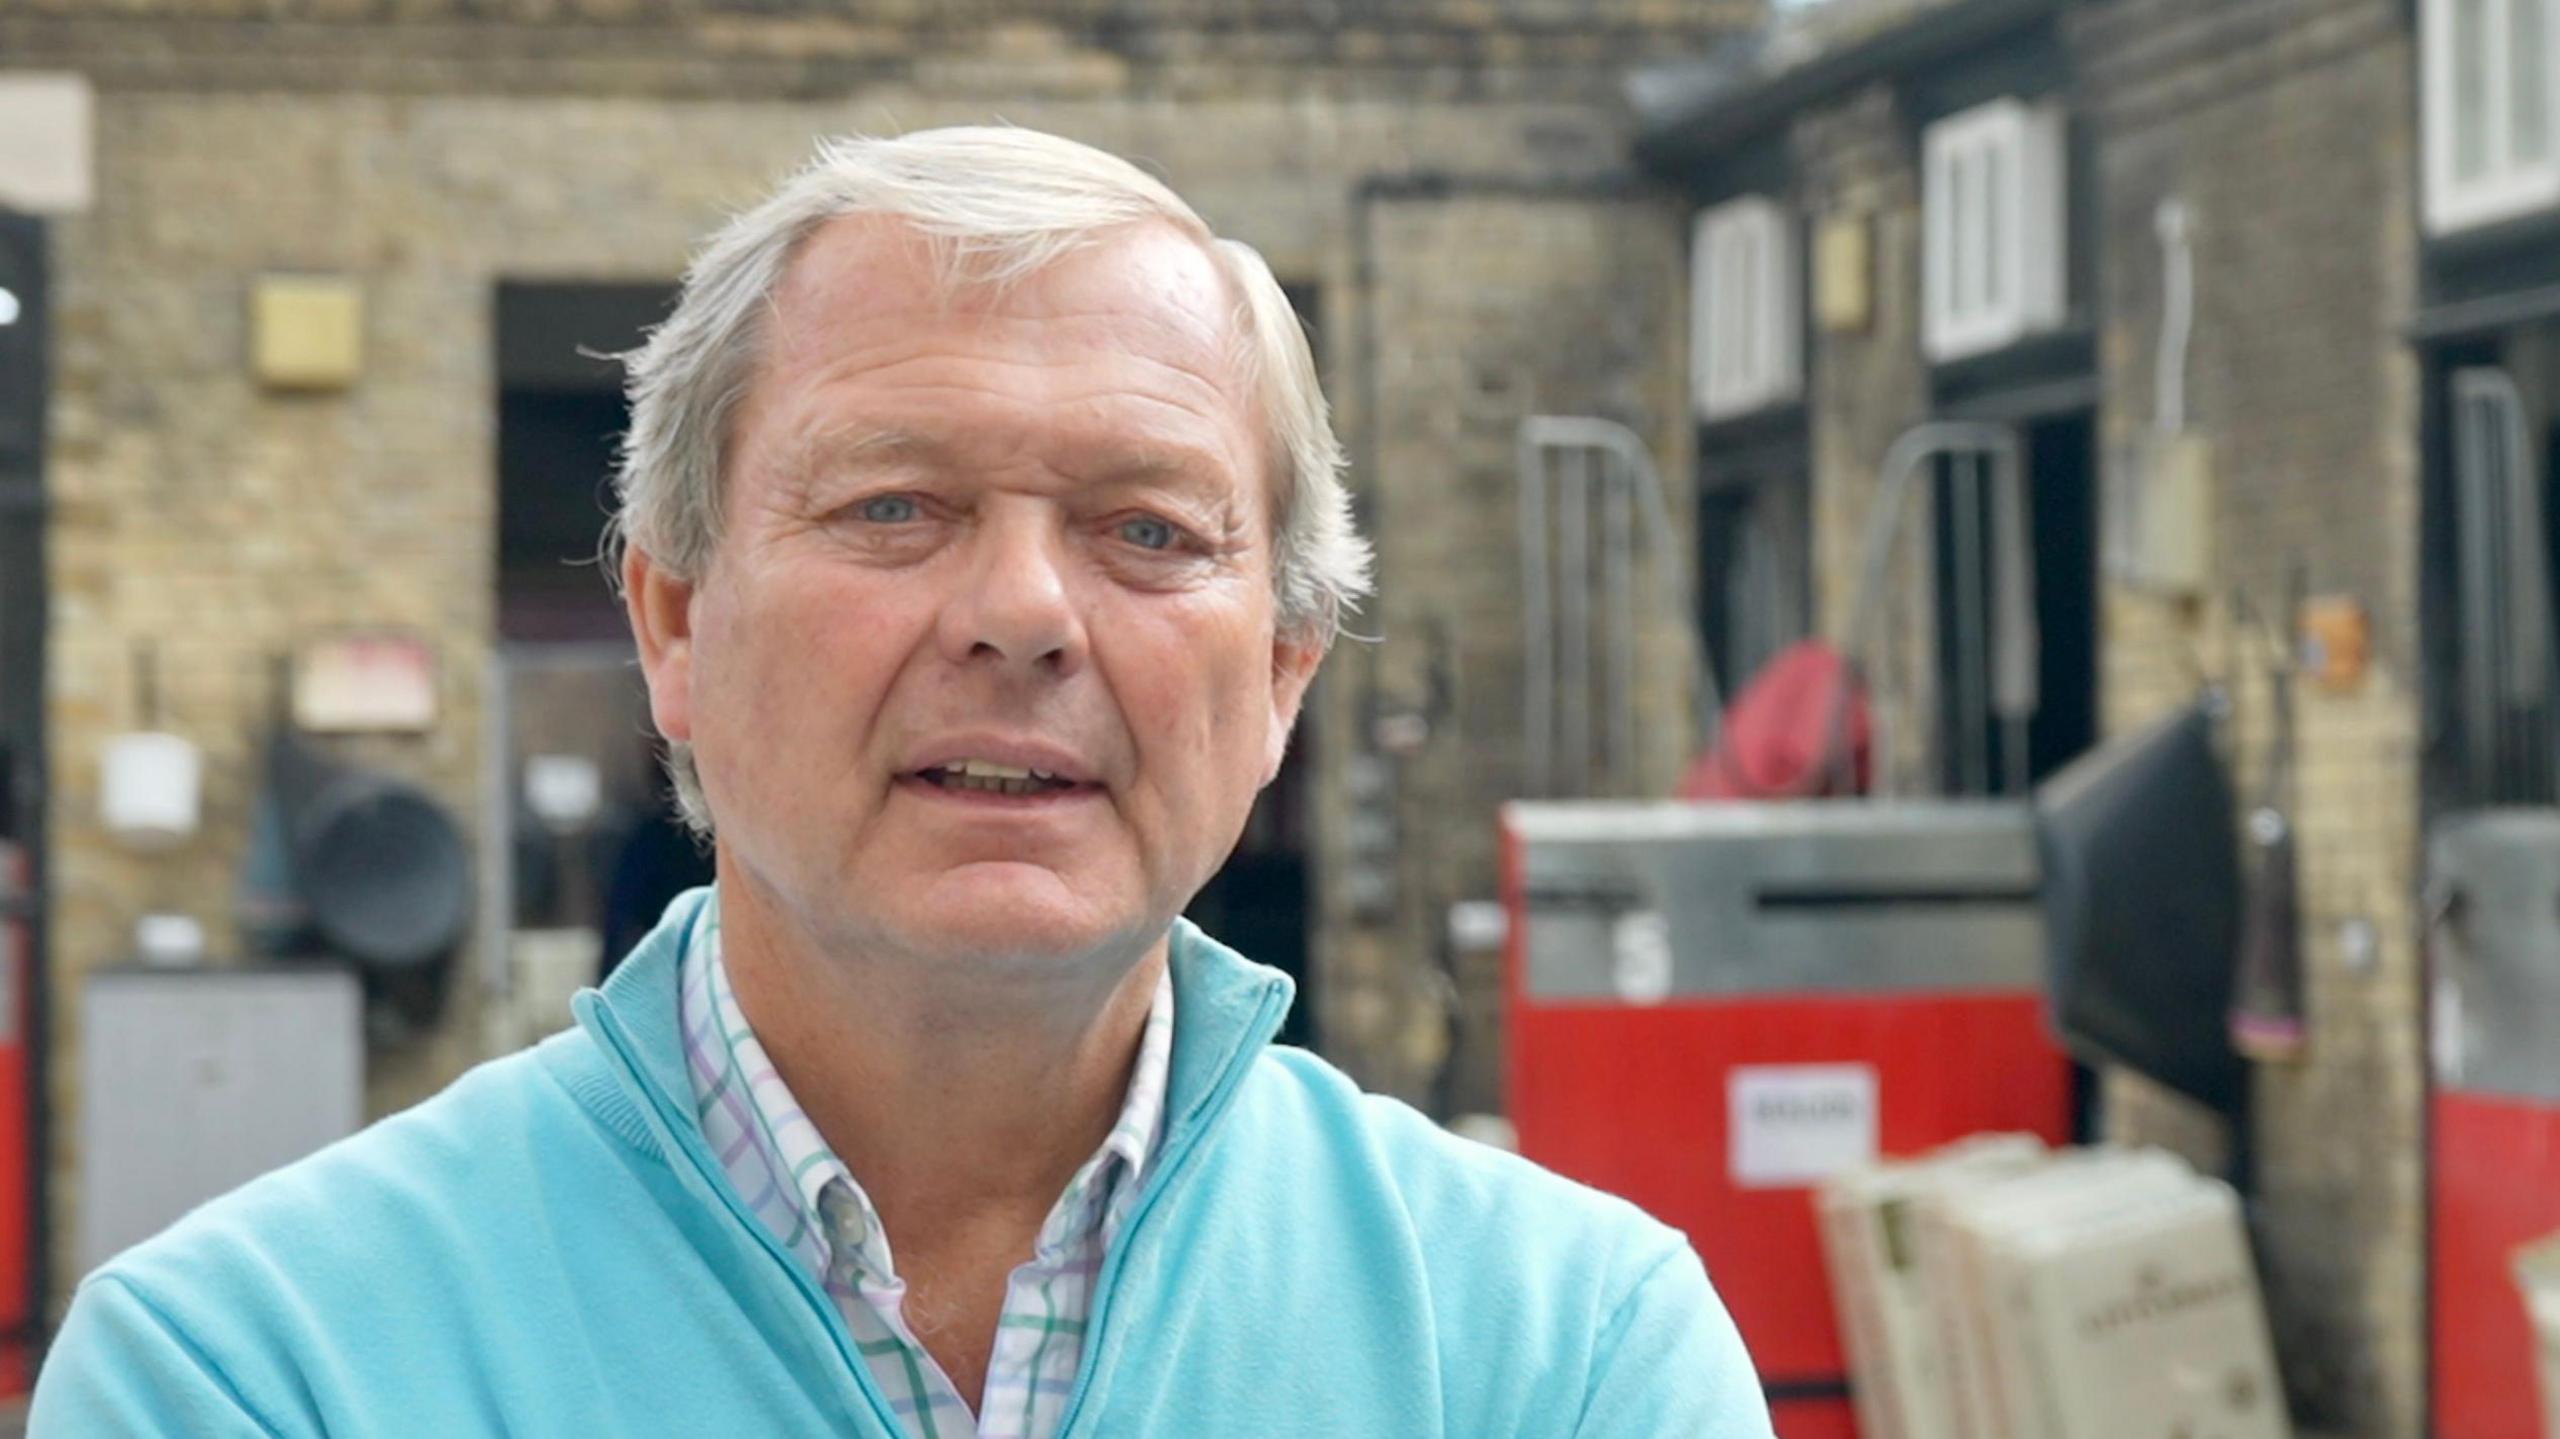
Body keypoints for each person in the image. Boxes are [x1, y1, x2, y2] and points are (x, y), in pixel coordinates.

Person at [30, 127, 1772, 1437]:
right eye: (893, 509)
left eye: (1146, 530)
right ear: (675, 623)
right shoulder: (257, 1376)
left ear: (1283, 680)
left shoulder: (1561, 1356)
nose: (1022, 613)